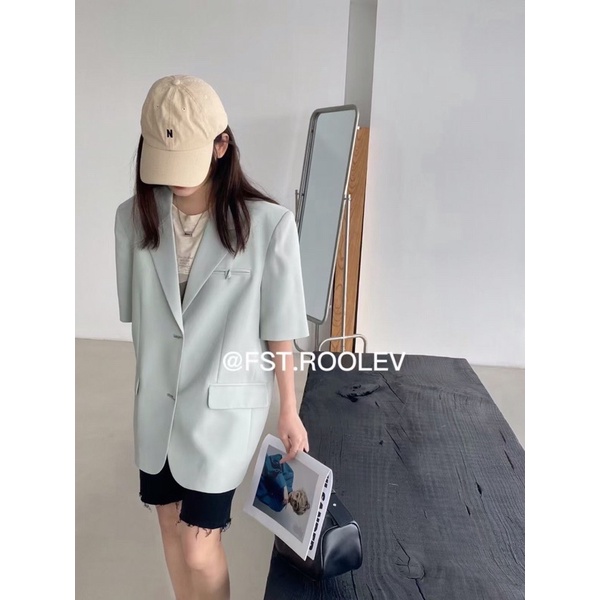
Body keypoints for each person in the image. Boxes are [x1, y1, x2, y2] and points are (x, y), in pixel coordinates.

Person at [114, 75, 311, 600]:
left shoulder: (268, 226)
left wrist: (289, 409)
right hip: (157, 409)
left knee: (200, 546)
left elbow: (280, 329)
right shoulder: (132, 221)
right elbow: (144, 320)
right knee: (168, 526)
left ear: (221, 146)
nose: (174, 179)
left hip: (222, 413)